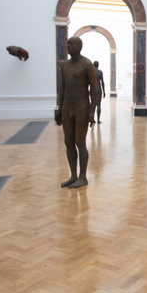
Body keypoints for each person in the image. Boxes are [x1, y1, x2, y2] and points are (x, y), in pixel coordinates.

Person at [55, 37, 98, 188]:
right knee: (68, 142)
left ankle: (83, 176)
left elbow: (94, 88)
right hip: (67, 107)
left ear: (79, 46)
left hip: (81, 107)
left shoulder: (87, 64)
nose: (67, 46)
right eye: (67, 43)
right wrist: (59, 109)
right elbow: (62, 89)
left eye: (71, 44)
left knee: (80, 142)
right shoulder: (65, 65)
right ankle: (73, 175)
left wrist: (92, 110)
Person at [92, 60, 106, 125]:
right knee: (98, 105)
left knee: (93, 105)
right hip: (98, 89)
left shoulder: (91, 72)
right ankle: (98, 120)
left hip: (92, 89)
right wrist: (104, 91)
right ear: (98, 65)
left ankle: (92, 119)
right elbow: (102, 82)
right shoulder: (100, 72)